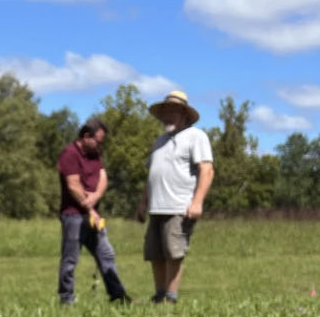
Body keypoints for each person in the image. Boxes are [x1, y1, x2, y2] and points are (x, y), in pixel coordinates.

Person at [136, 90, 213, 304]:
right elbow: (152, 174)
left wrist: (197, 202)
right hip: (156, 207)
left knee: (174, 252)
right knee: (155, 253)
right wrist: (143, 204)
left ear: (185, 115)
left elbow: (207, 170)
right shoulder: (160, 141)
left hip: (179, 206)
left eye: (174, 111)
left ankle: (170, 296)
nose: (169, 115)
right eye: (166, 111)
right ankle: (159, 294)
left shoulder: (196, 136)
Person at [55, 119, 130, 304]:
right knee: (70, 259)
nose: (100, 144)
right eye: (97, 140)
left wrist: (95, 197)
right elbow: (73, 185)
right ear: (86, 136)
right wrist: (90, 208)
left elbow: (103, 177)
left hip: (92, 216)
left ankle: (118, 296)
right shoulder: (70, 154)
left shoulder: (95, 154)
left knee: (106, 254)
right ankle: (66, 299)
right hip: (73, 215)